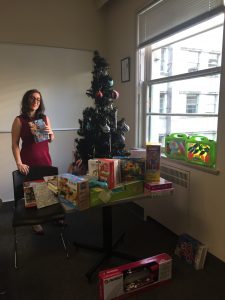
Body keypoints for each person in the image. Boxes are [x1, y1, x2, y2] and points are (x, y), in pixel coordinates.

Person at [11, 89, 54, 234]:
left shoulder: (44, 118)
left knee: (46, 189)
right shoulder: (19, 120)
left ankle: (46, 216)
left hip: (44, 158)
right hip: (28, 160)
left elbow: (51, 138)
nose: (36, 101)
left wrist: (50, 133)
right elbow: (15, 144)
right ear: (26, 100)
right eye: (32, 98)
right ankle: (35, 222)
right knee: (31, 191)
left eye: (38, 99)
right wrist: (18, 163)